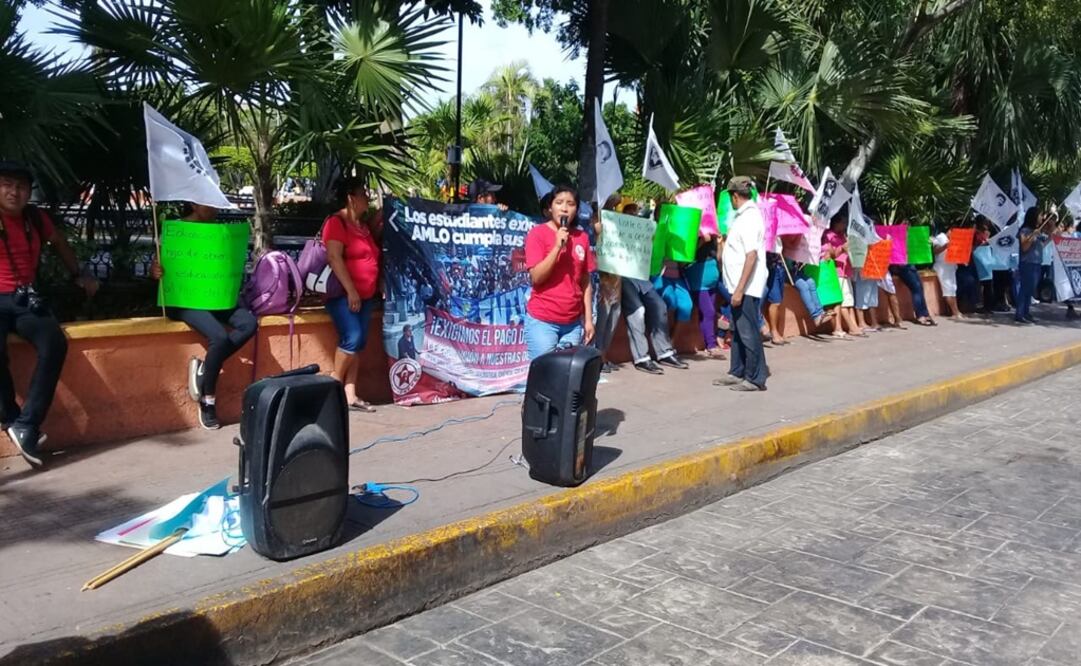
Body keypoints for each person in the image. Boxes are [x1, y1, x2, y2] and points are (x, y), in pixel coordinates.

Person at [0, 161, 98, 466]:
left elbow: (60, 244)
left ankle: (27, 425)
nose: (14, 192)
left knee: (54, 342)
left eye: (21, 187)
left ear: (29, 192)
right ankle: (13, 419)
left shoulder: (36, 219)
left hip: (26, 298)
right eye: (6, 184)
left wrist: (78, 274)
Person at [151, 202, 258, 430]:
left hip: (214, 299)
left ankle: (204, 369)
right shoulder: (175, 230)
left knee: (248, 323)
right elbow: (158, 265)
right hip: (183, 300)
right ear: (193, 204)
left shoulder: (219, 234)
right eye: (207, 203)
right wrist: (156, 271)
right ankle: (208, 401)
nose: (214, 208)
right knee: (218, 337)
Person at [324, 177, 383, 412]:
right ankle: (333, 385)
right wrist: (351, 290)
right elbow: (334, 257)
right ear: (351, 198)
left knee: (357, 344)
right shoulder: (336, 222)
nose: (367, 198)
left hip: (366, 295)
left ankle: (350, 394)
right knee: (352, 337)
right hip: (344, 294)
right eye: (363, 194)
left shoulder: (363, 225)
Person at [523, 185, 595, 359]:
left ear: (576, 209)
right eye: (559, 202)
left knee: (567, 380)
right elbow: (536, 277)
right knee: (544, 379)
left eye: (570, 204)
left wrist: (588, 320)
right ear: (550, 207)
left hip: (572, 325)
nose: (564, 208)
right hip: (543, 323)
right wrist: (557, 247)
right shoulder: (537, 234)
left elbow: (585, 281)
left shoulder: (582, 238)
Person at [713, 177, 769, 391]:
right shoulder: (743, 217)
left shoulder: (749, 218)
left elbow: (751, 256)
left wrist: (740, 289)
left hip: (745, 287)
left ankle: (755, 377)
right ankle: (737, 371)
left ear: (735, 196)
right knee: (738, 330)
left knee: (748, 331)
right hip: (738, 286)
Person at [593, 196, 623, 373]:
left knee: (613, 318)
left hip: (616, 278)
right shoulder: (594, 222)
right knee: (602, 319)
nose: (614, 205)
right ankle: (598, 357)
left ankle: (604, 355)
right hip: (602, 280)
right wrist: (597, 233)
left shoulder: (618, 222)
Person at [822, 216, 864, 338]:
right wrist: (842, 248)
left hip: (846, 271)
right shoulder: (829, 235)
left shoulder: (843, 236)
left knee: (849, 300)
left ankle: (854, 326)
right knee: (843, 301)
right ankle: (849, 326)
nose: (845, 224)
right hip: (837, 271)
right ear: (837, 222)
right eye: (843, 222)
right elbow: (831, 254)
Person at [686, 233, 725, 359]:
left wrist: (719, 244)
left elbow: (719, 259)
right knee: (709, 312)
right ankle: (711, 346)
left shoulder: (713, 238)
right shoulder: (692, 233)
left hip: (712, 281)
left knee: (708, 314)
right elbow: (688, 256)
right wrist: (701, 241)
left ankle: (709, 343)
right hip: (698, 280)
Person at [890, 223, 936, 326]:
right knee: (916, 288)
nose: (908, 227)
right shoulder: (897, 239)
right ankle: (921, 315)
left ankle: (925, 313)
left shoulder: (909, 237)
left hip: (910, 265)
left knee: (919, 288)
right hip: (903, 266)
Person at [1015, 208, 1048, 324]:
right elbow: (1024, 248)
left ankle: (1026, 311)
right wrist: (1032, 236)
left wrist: (1050, 239)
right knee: (1025, 288)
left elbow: (1041, 246)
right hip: (1027, 264)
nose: (1041, 218)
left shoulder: (1037, 231)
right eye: (1040, 215)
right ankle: (1020, 313)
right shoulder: (1025, 231)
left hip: (1037, 263)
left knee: (1030, 289)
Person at [931, 228, 964, 319]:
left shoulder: (952, 239)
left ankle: (956, 311)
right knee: (948, 290)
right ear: (949, 231)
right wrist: (946, 246)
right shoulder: (940, 237)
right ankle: (955, 312)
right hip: (943, 267)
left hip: (951, 266)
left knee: (953, 289)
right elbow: (935, 251)